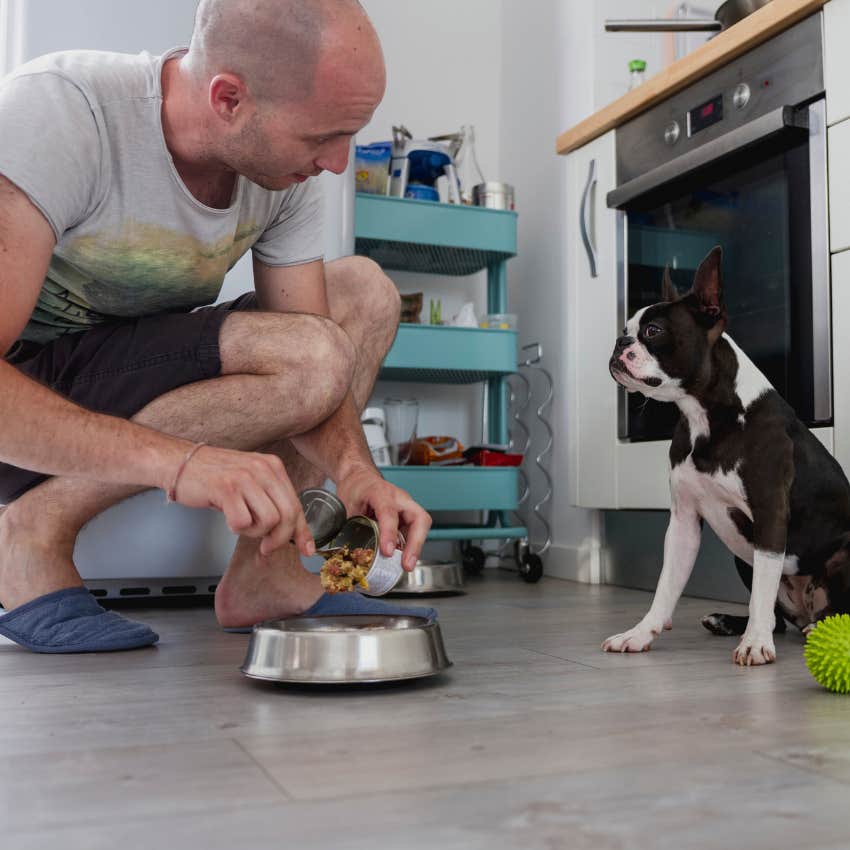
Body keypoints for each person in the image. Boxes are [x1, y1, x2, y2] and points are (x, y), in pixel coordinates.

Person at [0, 0, 434, 654]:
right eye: (321, 137)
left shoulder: (282, 173)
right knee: (313, 352)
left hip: (126, 363)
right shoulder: (61, 114)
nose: (340, 162)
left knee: (363, 295)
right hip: (25, 408)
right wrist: (182, 464)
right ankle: (31, 533)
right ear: (228, 98)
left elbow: (315, 353)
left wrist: (354, 472)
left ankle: (270, 574)